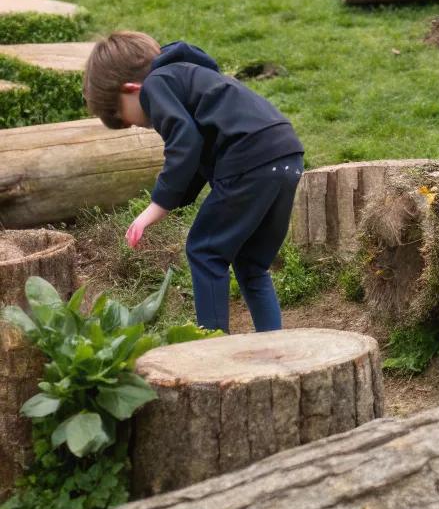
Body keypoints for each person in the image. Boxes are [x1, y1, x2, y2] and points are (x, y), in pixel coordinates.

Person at [83, 32, 305, 335]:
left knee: (205, 251)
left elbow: (184, 143)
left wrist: (157, 206)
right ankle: (274, 341)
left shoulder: (156, 84)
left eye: (127, 118)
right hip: (286, 154)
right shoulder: (190, 77)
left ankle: (212, 345)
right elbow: (198, 152)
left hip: (250, 158)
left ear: (132, 89)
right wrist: (174, 201)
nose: (139, 124)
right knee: (251, 264)